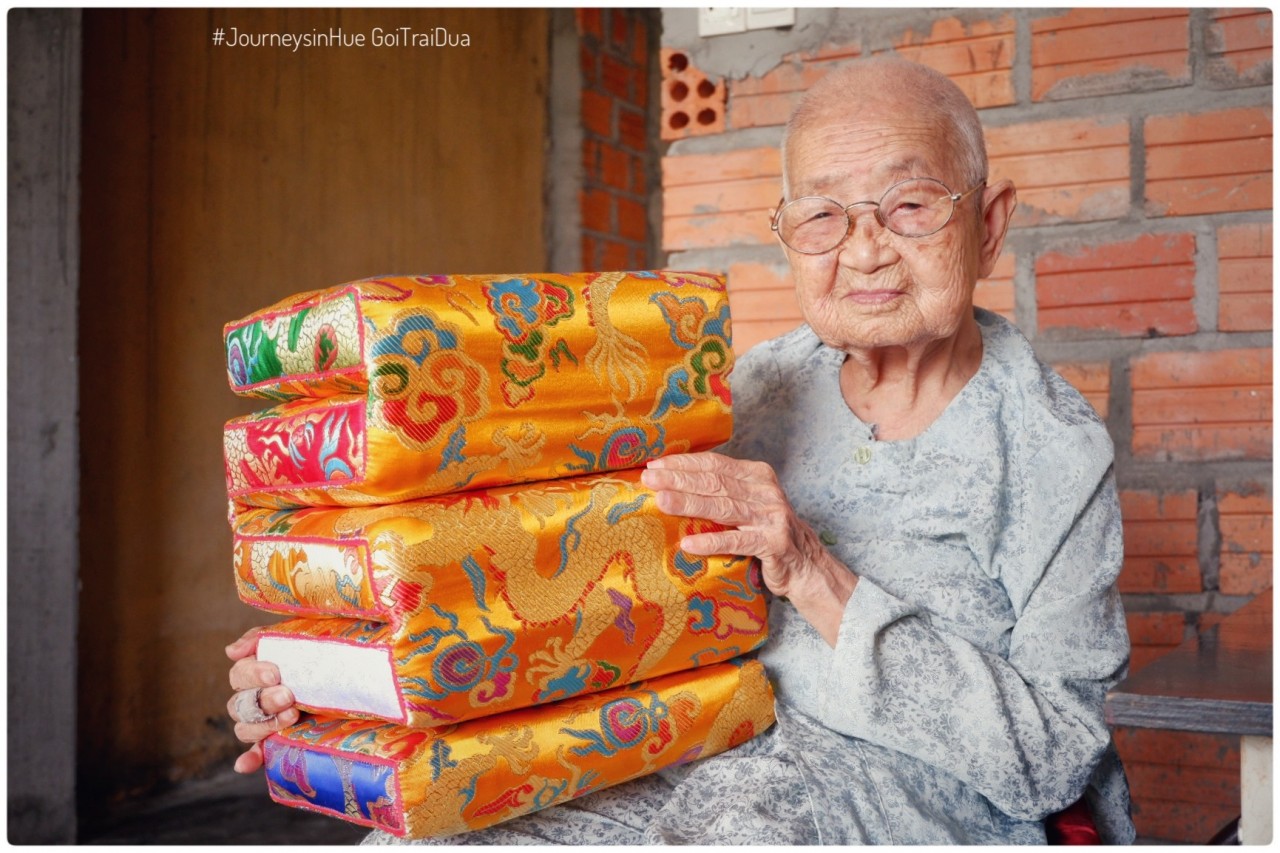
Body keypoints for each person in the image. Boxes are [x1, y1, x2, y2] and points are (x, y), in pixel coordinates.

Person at [226, 57, 1135, 844]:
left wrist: (813, 570)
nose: (864, 252)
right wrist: (341, 666)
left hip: (908, 793)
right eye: (822, 216)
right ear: (786, 235)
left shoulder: (1050, 448)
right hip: (694, 749)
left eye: (908, 206)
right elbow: (570, 580)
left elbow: (1052, 758)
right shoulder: (749, 390)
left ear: (989, 221)